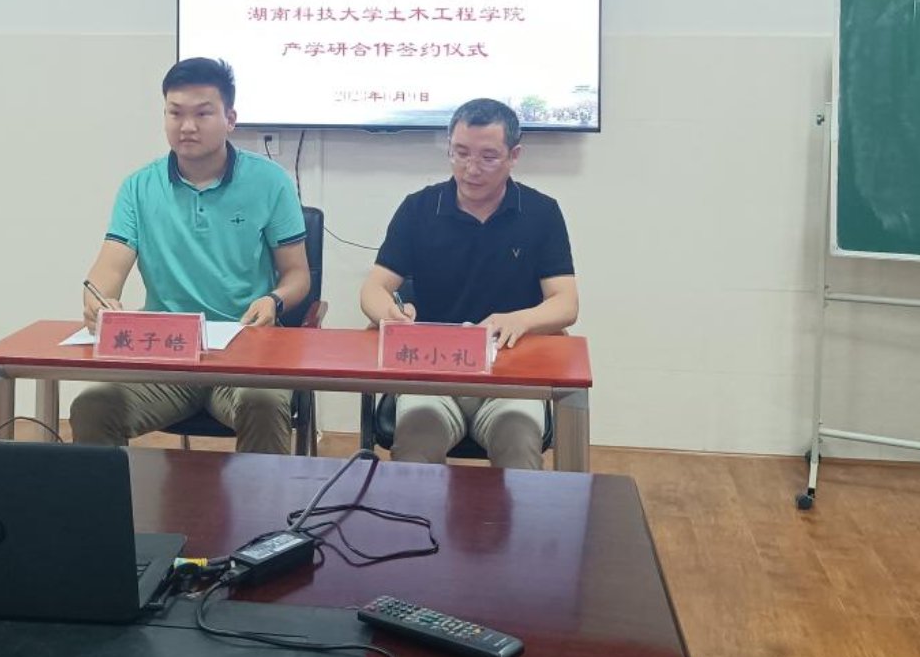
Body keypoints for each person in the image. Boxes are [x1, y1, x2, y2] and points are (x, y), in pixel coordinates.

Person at [68, 57, 310, 454]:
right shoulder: (139, 187)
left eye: (202, 113)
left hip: (245, 349)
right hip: (165, 352)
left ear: (230, 119)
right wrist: (98, 302)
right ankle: (110, 499)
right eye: (175, 113)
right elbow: (106, 272)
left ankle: (265, 499)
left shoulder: (270, 182)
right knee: (93, 406)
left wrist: (274, 300)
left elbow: (297, 275)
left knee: (263, 403)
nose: (187, 126)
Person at [359, 98, 578, 470]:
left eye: (488, 157)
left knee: (519, 439)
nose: (471, 169)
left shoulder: (541, 213)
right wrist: (390, 314)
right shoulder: (419, 208)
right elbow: (373, 289)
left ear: (514, 155)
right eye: (460, 153)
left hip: (510, 374)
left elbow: (566, 303)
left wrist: (521, 319)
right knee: (414, 442)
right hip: (433, 373)